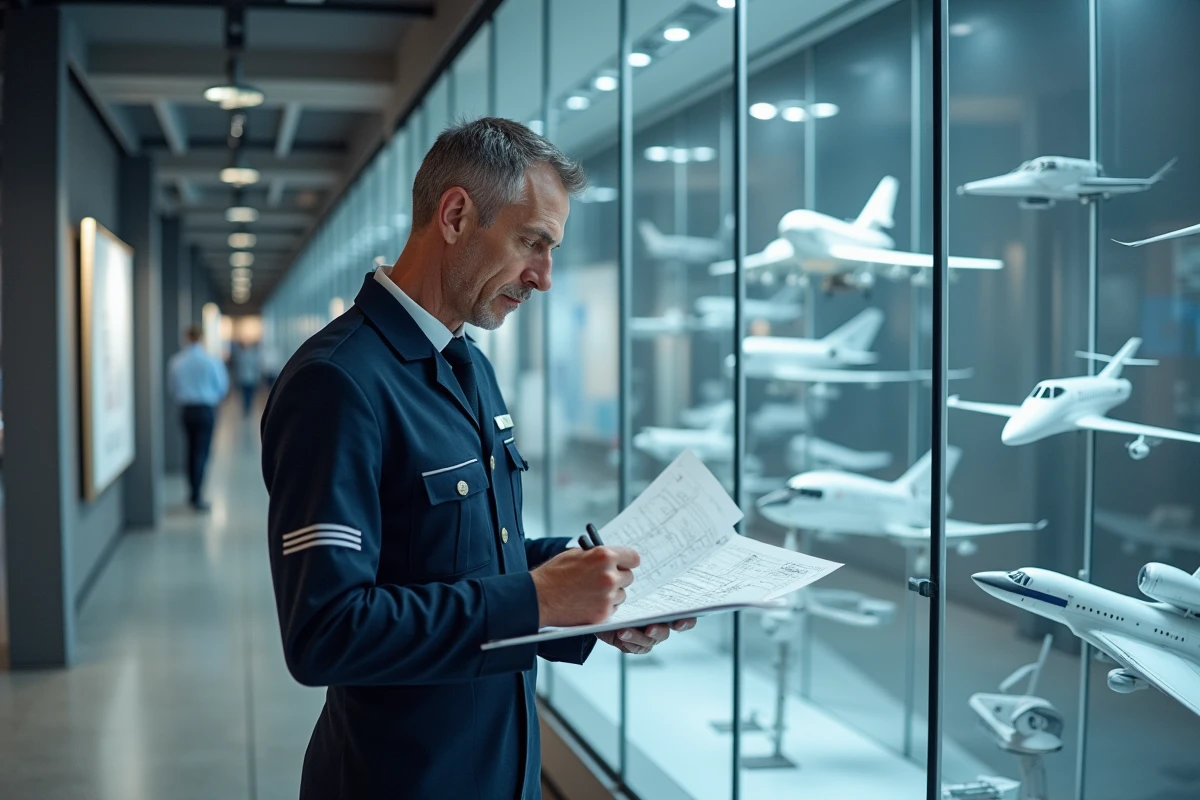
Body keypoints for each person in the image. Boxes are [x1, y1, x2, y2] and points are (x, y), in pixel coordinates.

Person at [260, 118, 695, 800]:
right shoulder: (339, 383)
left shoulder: (467, 365)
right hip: (401, 780)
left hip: (498, 769)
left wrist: (596, 586)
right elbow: (327, 631)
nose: (544, 277)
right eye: (533, 243)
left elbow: (462, 555)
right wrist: (538, 597)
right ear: (457, 215)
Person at [168, 325, 228, 511]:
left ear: (186, 338)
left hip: (187, 410)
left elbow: (173, 389)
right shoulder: (211, 361)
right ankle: (197, 495)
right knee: (202, 452)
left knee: (190, 450)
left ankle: (192, 492)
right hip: (205, 408)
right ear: (202, 338)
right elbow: (222, 386)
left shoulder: (177, 361)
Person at [233, 341, 261, 417]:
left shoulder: (242, 356)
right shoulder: (242, 356)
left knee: (248, 394)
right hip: (246, 378)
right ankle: (247, 407)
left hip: (248, 378)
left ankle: (247, 407)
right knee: (247, 394)